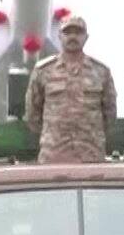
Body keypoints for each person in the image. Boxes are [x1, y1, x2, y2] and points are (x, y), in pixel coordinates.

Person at [24, 15, 118, 163]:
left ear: (86, 37)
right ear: (59, 36)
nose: (73, 37)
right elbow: (33, 115)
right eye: (67, 33)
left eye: (78, 33)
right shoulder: (43, 70)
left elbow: (110, 114)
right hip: (54, 156)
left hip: (91, 156)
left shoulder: (101, 71)